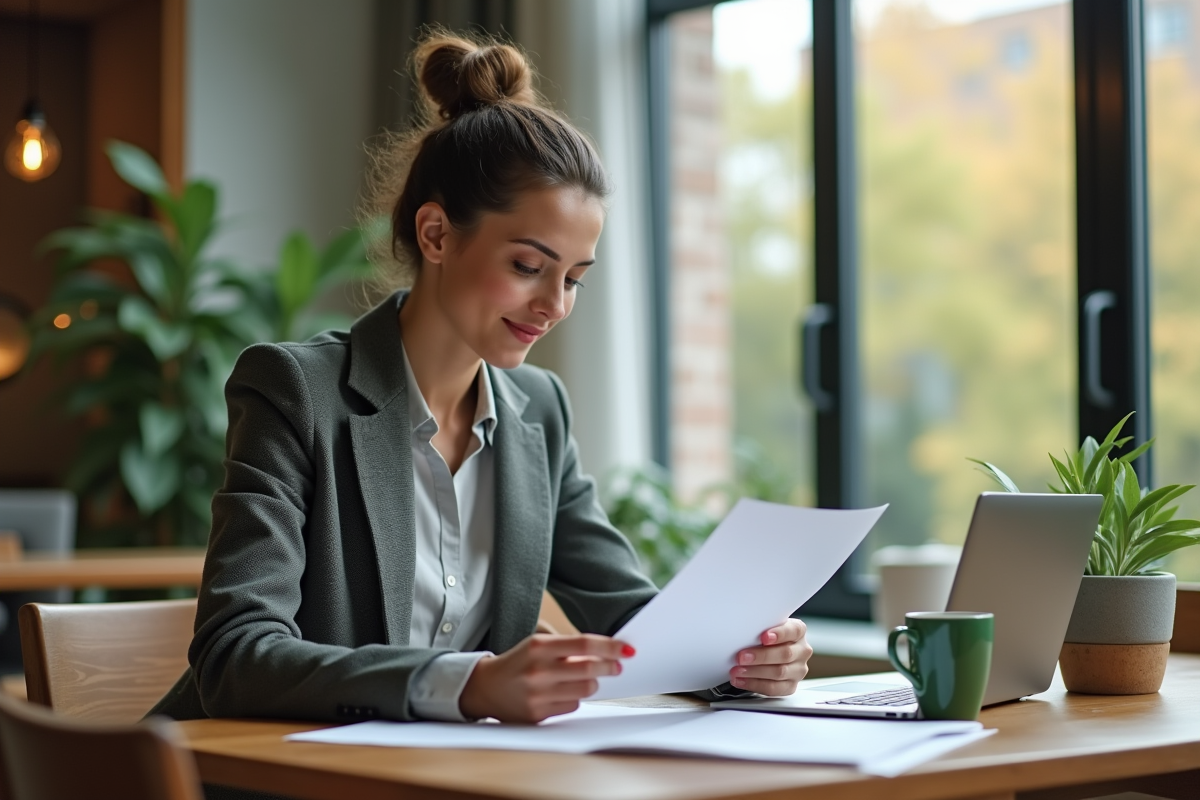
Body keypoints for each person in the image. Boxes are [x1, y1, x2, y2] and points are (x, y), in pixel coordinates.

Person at [150, 32, 812, 729]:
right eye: (529, 266)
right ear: (436, 235)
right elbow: (234, 656)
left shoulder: (538, 411)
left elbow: (635, 619)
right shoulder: (295, 392)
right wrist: (465, 686)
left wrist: (741, 660)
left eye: (574, 279)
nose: (555, 305)